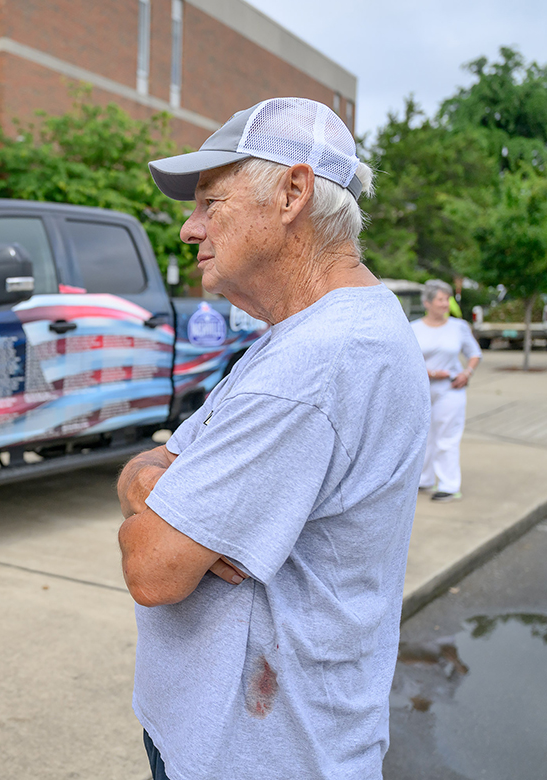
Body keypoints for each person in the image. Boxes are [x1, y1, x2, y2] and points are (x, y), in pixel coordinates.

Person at [116, 97, 429, 779]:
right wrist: (153, 484)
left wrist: (162, 509)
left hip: (261, 757)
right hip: (251, 740)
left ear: (293, 191)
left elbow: (152, 566)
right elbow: (150, 466)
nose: (189, 229)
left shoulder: (315, 364)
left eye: (210, 203)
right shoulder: (309, 338)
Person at [411, 279, 482, 502]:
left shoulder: (458, 327)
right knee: (423, 437)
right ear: (427, 303)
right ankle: (424, 479)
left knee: (447, 437)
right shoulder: (413, 328)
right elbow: (408, 360)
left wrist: (466, 373)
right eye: (440, 299)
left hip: (451, 388)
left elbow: (475, 353)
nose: (445, 303)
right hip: (422, 390)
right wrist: (430, 373)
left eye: (447, 299)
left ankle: (450, 485)